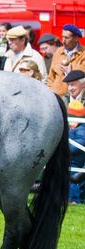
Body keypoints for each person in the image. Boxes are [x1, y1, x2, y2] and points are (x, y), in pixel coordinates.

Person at [63, 70, 85, 203]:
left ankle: (74, 198)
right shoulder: (63, 99)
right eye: (69, 85)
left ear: (83, 85)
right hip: (68, 138)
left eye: (73, 85)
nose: (70, 88)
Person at [48, 24, 85, 97]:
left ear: (76, 38)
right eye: (62, 36)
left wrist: (69, 72)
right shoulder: (58, 52)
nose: (63, 41)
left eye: (66, 38)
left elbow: (82, 78)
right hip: (56, 97)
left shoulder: (83, 54)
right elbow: (51, 77)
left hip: (75, 99)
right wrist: (50, 93)